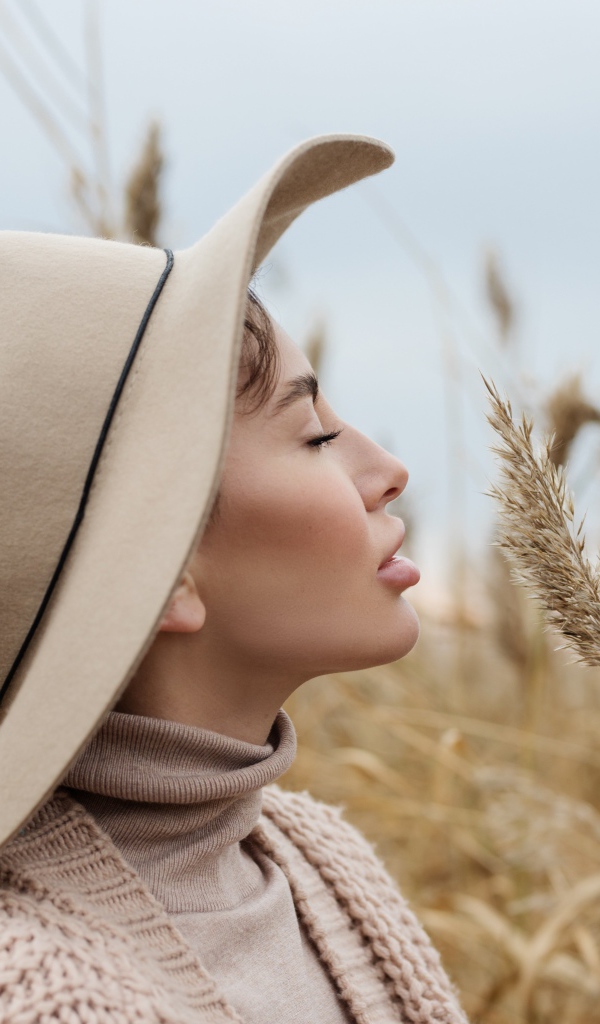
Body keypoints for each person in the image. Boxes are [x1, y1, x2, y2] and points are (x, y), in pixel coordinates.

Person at [0, 134, 468, 1023]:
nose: (389, 471)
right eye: (316, 437)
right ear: (166, 566)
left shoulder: (318, 858)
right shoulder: (43, 993)